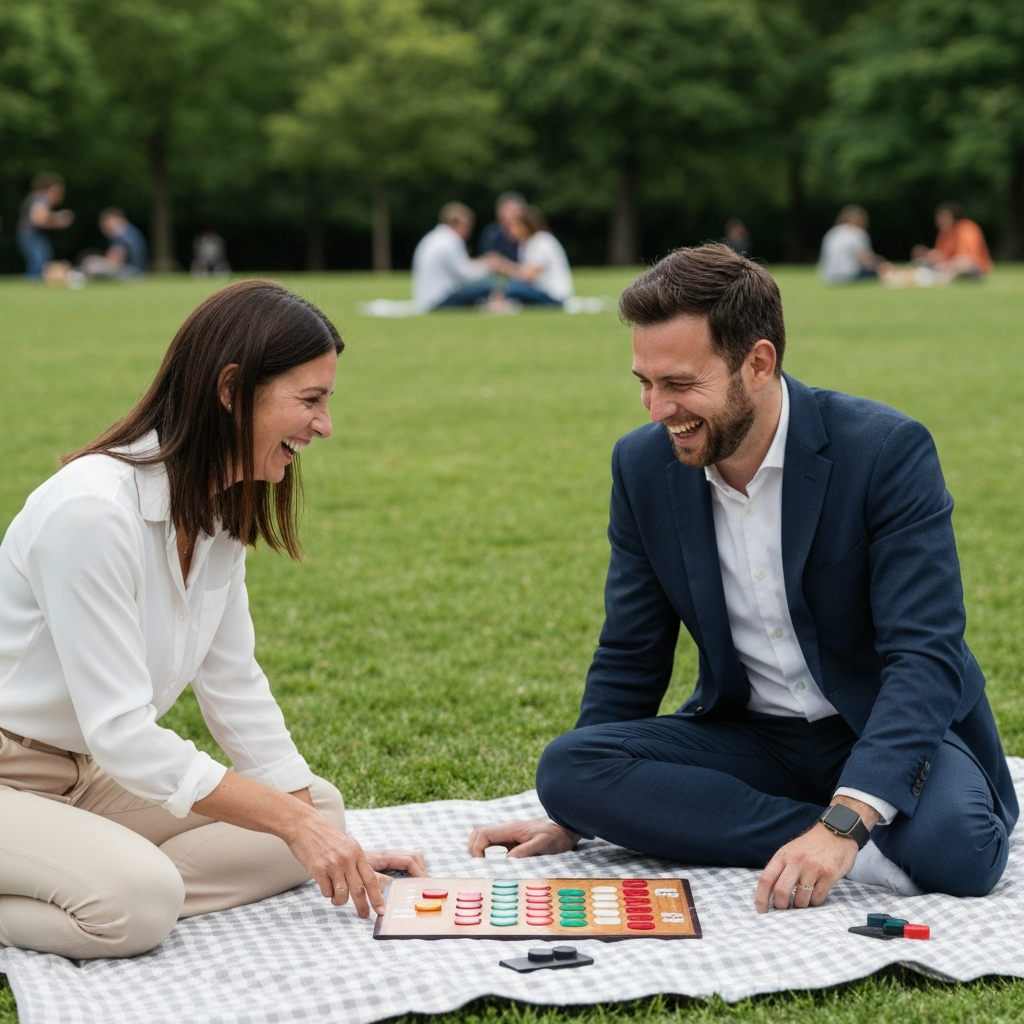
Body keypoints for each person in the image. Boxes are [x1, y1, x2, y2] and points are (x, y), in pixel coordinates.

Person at [468, 243, 1016, 911]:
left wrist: (845, 820)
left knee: (961, 851)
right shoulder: (643, 467)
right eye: (643, 381)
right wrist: (580, 818)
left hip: (881, 724)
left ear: (758, 363)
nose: (655, 409)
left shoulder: (885, 451)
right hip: (754, 735)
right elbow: (633, 649)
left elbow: (924, 656)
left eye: (678, 384)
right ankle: (850, 852)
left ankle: (843, 830)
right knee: (570, 769)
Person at [0, 280, 425, 960]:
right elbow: (123, 733)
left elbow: (234, 685)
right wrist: (290, 822)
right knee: (140, 902)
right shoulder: (90, 512)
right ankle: (115, 890)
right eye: (310, 401)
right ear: (232, 390)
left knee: (322, 807)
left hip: (91, 776)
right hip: (15, 770)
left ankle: (89, 879)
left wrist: (318, 836)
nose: (324, 426)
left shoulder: (219, 512)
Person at [411, 203, 498, 310]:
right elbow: (465, 274)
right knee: (488, 286)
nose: (469, 232)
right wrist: (489, 266)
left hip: (426, 298)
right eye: (467, 227)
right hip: (439, 300)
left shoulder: (434, 237)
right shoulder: (451, 240)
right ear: (457, 224)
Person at [488, 206, 574, 308]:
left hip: (553, 295)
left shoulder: (541, 241)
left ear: (524, 226)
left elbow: (529, 276)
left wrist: (503, 266)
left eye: (512, 227)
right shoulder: (525, 244)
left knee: (514, 288)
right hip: (541, 291)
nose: (508, 232)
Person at [16, 172, 75, 281]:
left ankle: (34, 285)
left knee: (42, 259)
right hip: (29, 235)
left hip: (32, 235)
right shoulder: (41, 198)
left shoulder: (37, 197)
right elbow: (39, 219)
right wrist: (59, 219)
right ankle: (32, 285)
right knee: (39, 261)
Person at [912, 202, 992, 280]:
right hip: (950, 265)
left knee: (961, 262)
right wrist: (930, 255)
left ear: (954, 217)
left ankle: (940, 277)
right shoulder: (944, 233)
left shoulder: (966, 228)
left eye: (945, 217)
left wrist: (948, 263)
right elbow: (943, 254)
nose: (941, 220)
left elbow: (967, 256)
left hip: (975, 268)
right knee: (919, 252)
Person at [817, 206, 889, 284]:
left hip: (828, 276)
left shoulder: (832, 232)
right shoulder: (857, 233)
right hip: (849, 275)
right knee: (882, 270)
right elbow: (866, 260)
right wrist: (881, 263)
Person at [79, 208, 149, 279]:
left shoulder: (121, 235)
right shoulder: (131, 231)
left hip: (132, 273)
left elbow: (113, 262)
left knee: (90, 264)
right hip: (138, 271)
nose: (104, 230)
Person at [479, 192, 527, 263]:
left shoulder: (527, 231)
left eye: (517, 211)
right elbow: (487, 255)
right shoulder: (492, 231)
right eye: (512, 211)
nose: (516, 214)